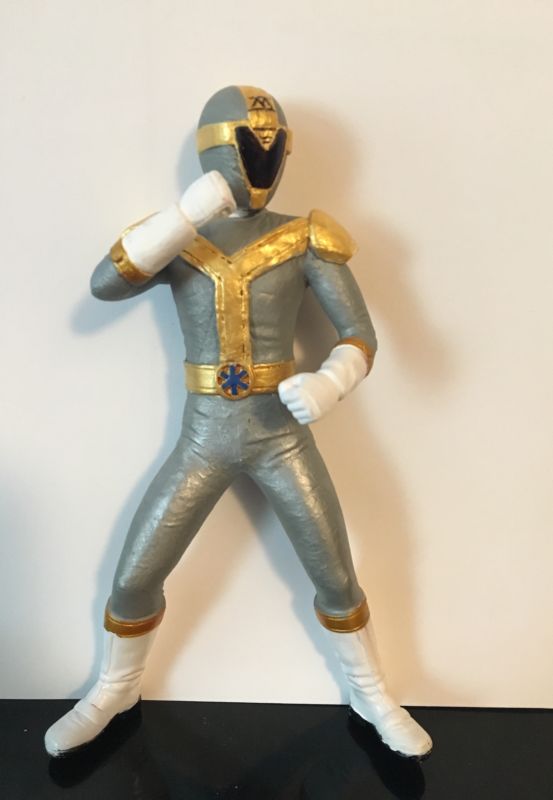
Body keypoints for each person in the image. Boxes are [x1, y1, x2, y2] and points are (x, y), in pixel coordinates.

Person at [45, 85, 432, 760]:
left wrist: (331, 380)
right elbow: (105, 284)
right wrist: (185, 215)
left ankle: (370, 691)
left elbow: (359, 335)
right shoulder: (178, 239)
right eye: (249, 148)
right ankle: (115, 688)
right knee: (135, 577)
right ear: (217, 151)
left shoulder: (304, 235)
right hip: (204, 438)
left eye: (272, 148)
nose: (262, 163)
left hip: (281, 435)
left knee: (335, 574)